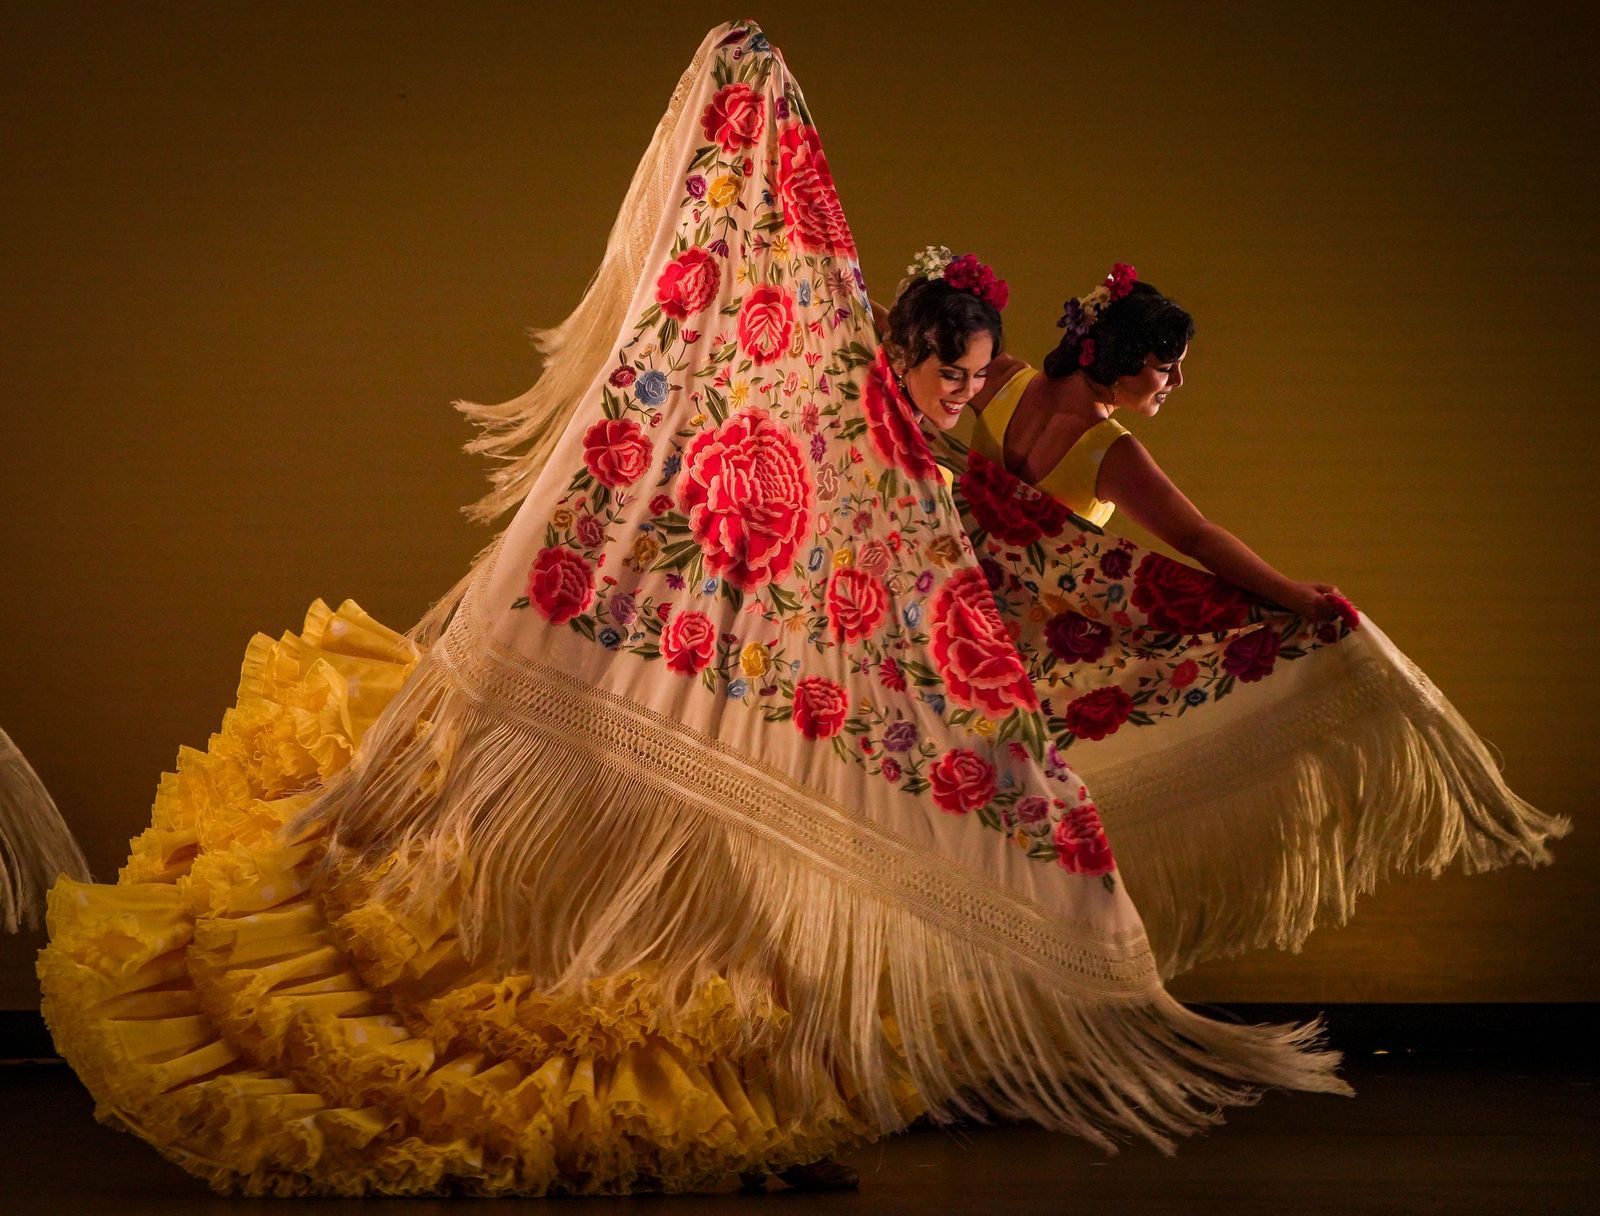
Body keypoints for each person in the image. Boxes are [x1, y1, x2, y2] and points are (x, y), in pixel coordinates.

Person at [28, 20, 1563, 1198]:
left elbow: (962, 514)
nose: (965, 394)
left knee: (878, 859)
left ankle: (932, 1030)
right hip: (906, 639)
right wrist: (1284, 602)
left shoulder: (983, 415)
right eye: (948, 374)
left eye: (972, 378)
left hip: (949, 641)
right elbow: (1067, 510)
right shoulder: (955, 424)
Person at [878, 250, 1569, 976]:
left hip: (948, 604)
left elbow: (924, 345)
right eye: (1163, 364)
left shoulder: (1006, 379)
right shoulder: (1110, 450)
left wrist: (860, 304)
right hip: (1015, 640)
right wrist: (1291, 596)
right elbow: (1197, 538)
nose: (1176, 382)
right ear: (1115, 356)